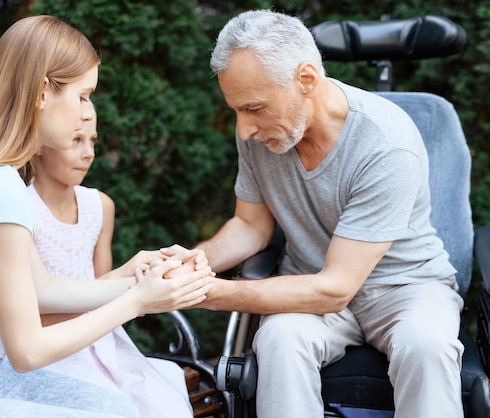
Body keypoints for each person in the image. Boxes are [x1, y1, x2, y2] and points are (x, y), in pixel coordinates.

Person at [0, 15, 212, 418]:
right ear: (43, 91)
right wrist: (137, 301)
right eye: (83, 96)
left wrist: (134, 276)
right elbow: (28, 351)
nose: (88, 113)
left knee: (119, 407)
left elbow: (41, 291)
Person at [165, 9, 464, 418]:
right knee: (279, 340)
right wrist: (192, 263)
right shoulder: (261, 135)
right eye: (237, 110)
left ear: (306, 80)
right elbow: (251, 227)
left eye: (253, 108)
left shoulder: (387, 144)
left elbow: (336, 287)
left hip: (405, 288)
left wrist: (212, 293)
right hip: (308, 282)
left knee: (427, 347)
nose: (243, 130)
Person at [0, 101, 193, 417]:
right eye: (76, 141)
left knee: (164, 400)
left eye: (93, 141)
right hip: (48, 350)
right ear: (40, 144)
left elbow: (97, 289)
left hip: (97, 339)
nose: (88, 153)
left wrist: (138, 271)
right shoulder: (19, 209)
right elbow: (34, 315)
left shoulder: (99, 206)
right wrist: (135, 292)